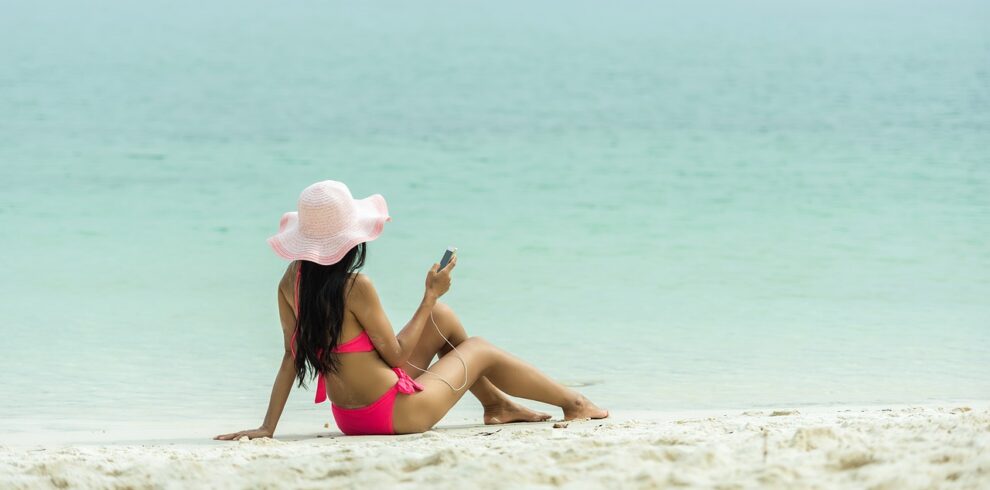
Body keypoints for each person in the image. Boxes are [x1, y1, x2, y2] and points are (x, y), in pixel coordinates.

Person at [215, 180, 607, 439]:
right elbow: (398, 356)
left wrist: (268, 427)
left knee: (442, 320)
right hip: (394, 415)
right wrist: (429, 295)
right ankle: (574, 404)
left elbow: (290, 355)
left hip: (349, 418)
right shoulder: (356, 286)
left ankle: (496, 405)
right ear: (352, 240)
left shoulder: (291, 281)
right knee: (480, 349)